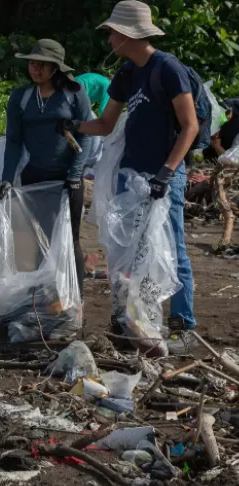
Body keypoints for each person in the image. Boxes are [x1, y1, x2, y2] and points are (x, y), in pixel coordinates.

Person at [57, 0, 199, 352]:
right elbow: (106, 125)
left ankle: (183, 326)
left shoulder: (167, 68)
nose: (109, 41)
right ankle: (132, 321)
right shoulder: (126, 74)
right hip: (130, 175)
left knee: (173, 249)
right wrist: (74, 124)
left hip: (164, 174)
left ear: (126, 35)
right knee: (127, 251)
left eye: (112, 34)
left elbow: (190, 126)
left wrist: (167, 173)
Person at [0, 39, 92, 297]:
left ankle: (75, 298)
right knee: (32, 238)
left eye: (42, 65)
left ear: (55, 68)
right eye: (32, 64)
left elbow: (85, 135)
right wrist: (7, 179)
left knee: (69, 239)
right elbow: (14, 141)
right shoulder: (21, 97)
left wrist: (75, 175)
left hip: (66, 179)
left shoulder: (74, 94)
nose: (35, 69)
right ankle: (39, 296)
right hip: (34, 177)